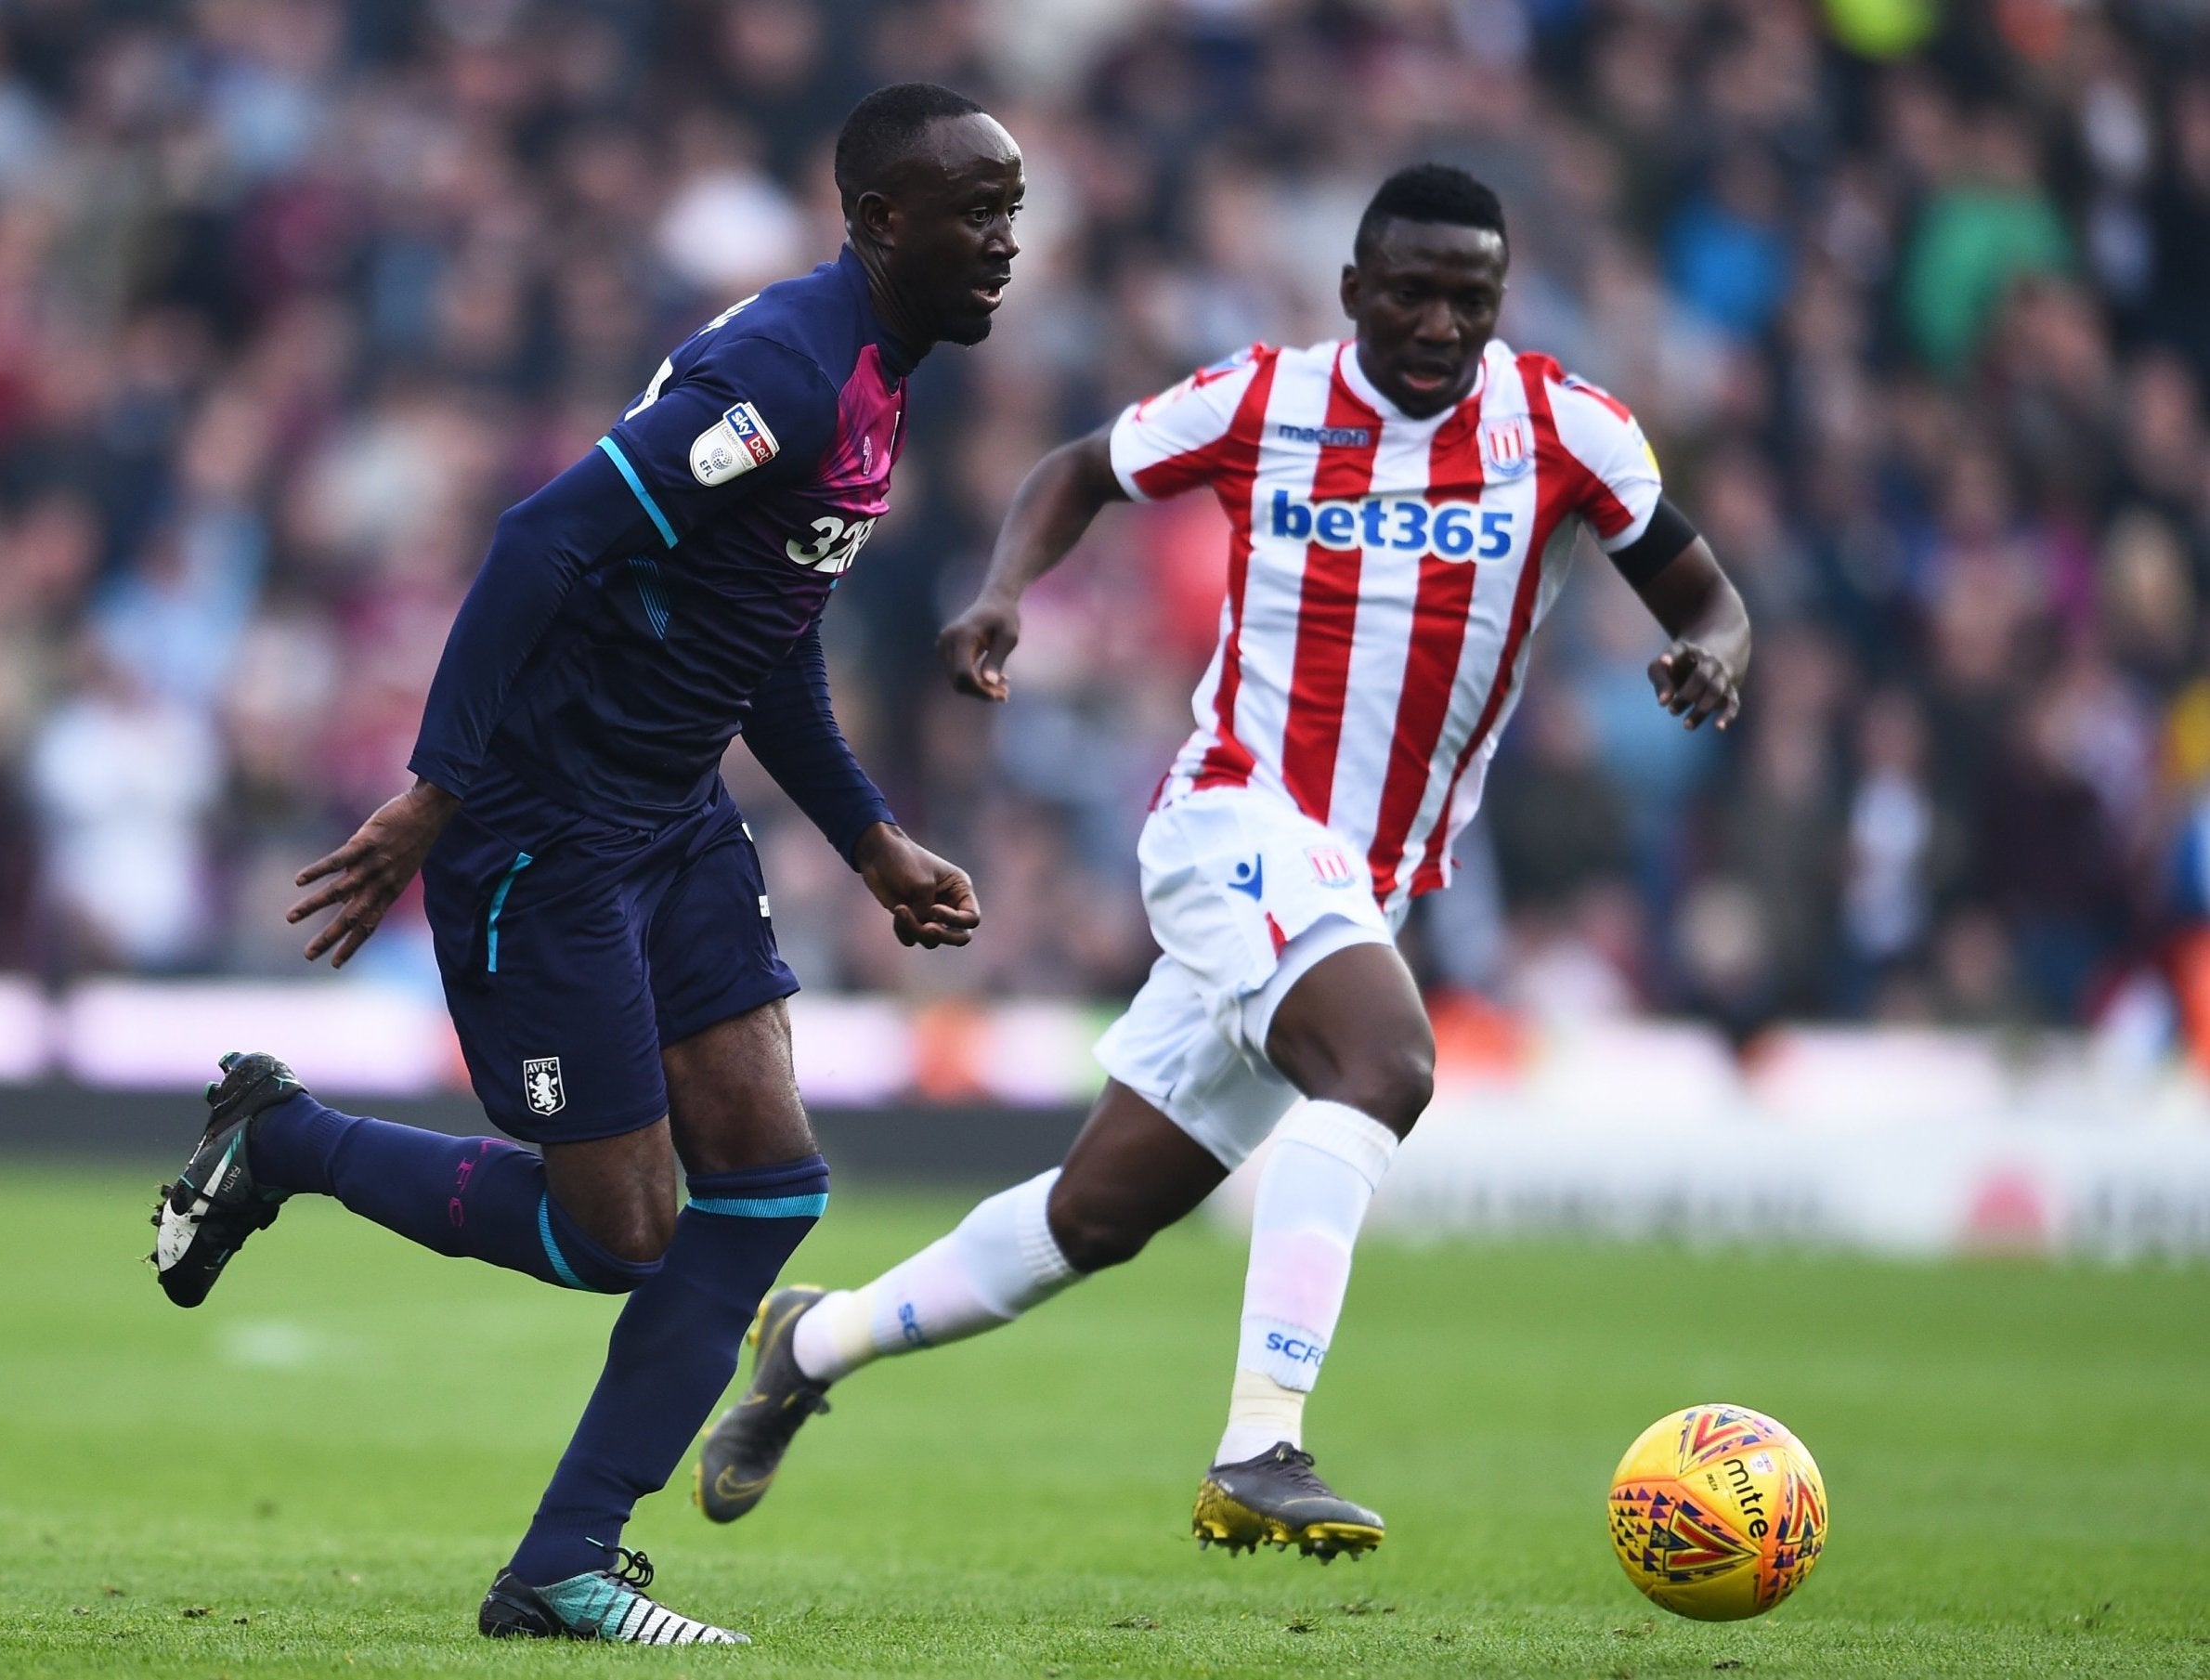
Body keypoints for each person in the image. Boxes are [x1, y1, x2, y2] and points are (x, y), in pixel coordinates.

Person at [696, 163, 1751, 1561]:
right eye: (1417, 294)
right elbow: (1079, 469)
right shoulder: (1266, 398)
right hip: (1234, 821)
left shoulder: (1568, 430)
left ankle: (808, 1343)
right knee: (1386, 1067)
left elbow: (1705, 594)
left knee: (1095, 1216)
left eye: (1473, 301)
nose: (1443, 325)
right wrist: (1004, 592)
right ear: (1354, 293)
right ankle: (1261, 1445)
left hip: (1355, 883)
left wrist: (1711, 658)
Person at [147, 83, 1023, 1645]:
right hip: (543, 821)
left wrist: (872, 836)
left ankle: (567, 1556)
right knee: (616, 1233)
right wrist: (436, 793)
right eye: (979, 209)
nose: (1008, 244)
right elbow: (540, 540)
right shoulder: (786, 371)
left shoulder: (879, 379)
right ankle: (281, 1141)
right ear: (883, 219)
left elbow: (764, 637)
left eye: (1013, 207)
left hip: (670, 813)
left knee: (767, 1185)